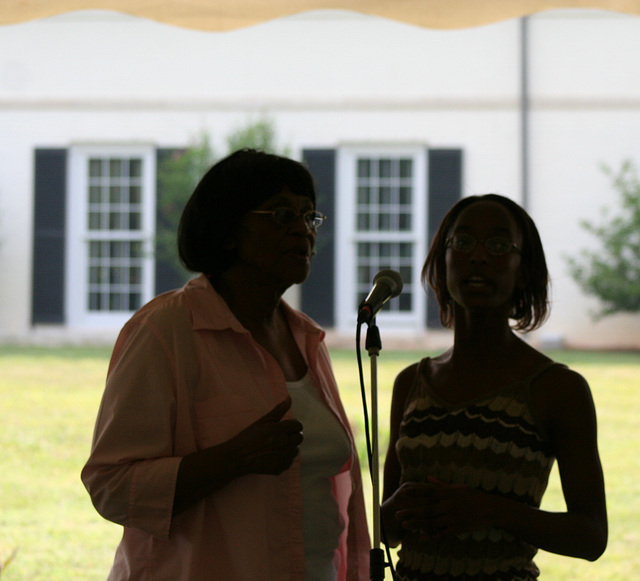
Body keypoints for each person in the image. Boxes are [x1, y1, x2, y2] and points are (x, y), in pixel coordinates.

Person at [81, 149, 370, 581]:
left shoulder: (307, 339)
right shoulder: (166, 330)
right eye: (280, 214)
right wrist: (233, 459)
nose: (301, 230)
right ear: (228, 229)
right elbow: (113, 486)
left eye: (309, 216)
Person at [381, 194, 607, 580]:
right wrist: (397, 507)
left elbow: (590, 536)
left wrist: (491, 511)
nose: (479, 257)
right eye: (463, 242)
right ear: (443, 262)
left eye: (500, 245)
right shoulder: (412, 383)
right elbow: (386, 530)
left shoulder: (557, 389)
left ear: (523, 270)